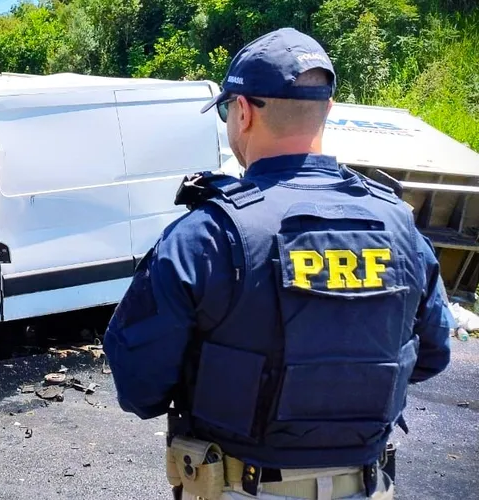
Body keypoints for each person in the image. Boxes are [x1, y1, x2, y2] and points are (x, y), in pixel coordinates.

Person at [103, 27, 453, 500]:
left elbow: (139, 384)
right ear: (328, 110)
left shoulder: (207, 234)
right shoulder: (397, 222)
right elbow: (433, 352)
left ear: (243, 111)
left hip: (241, 487)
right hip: (368, 486)